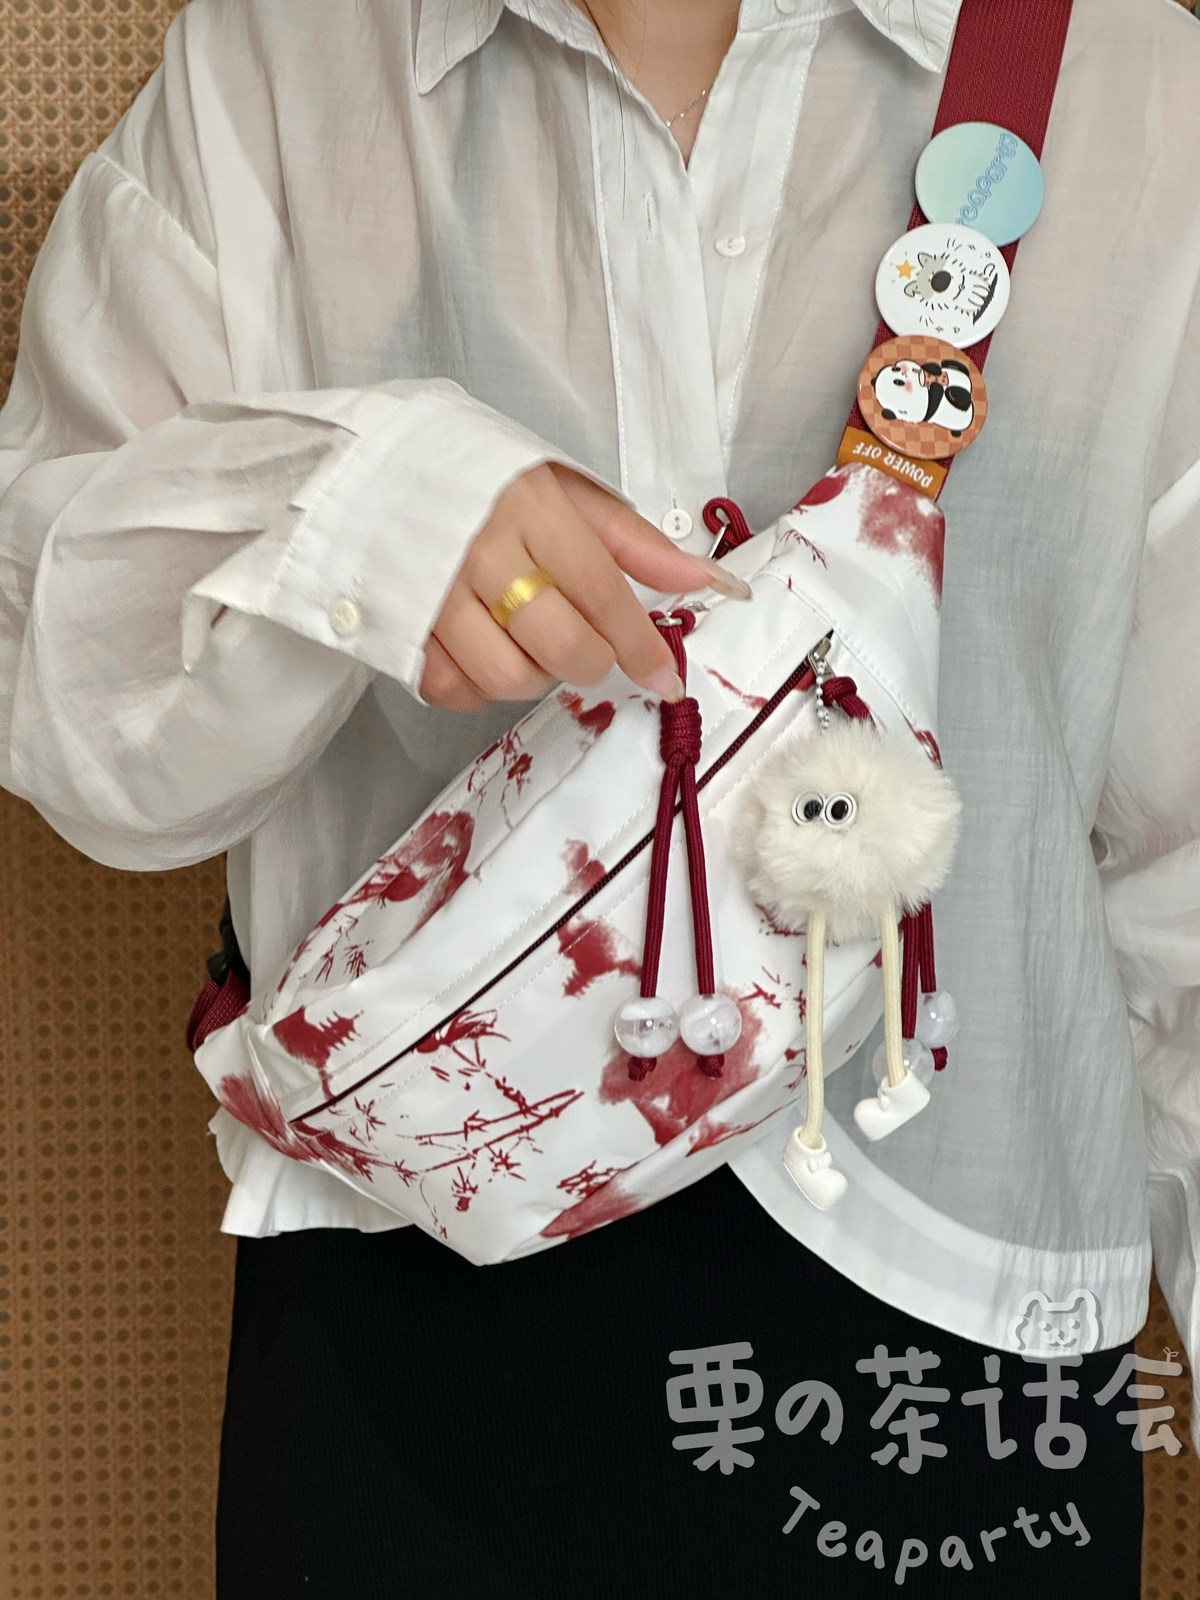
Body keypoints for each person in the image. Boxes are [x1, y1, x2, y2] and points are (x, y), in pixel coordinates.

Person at [1, 0, 1197, 1593]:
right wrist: (361, 499)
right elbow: (71, 716)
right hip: (411, 1303)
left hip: (962, 1304)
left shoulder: (1138, 88)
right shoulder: (285, 64)